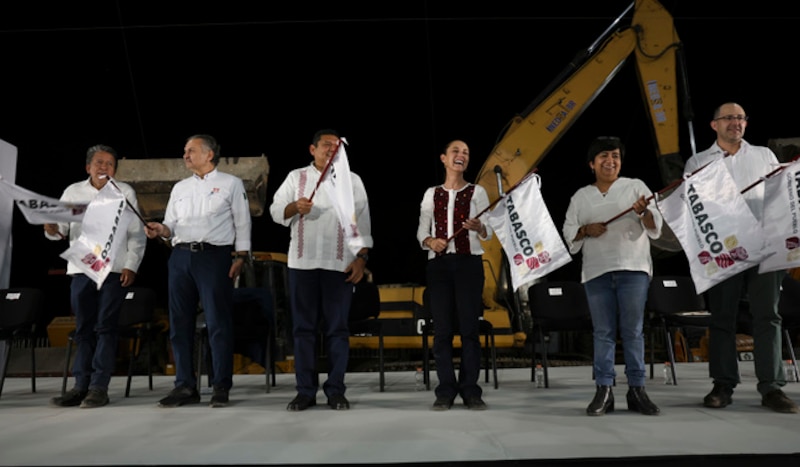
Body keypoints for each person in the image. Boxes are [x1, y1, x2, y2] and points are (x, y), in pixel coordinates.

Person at [683, 102, 798, 413]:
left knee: (767, 317)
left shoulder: (763, 155)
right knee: (722, 318)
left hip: (764, 247)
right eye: (729, 118)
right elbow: (693, 209)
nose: (736, 122)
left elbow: (780, 198)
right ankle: (723, 383)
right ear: (714, 125)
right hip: (724, 252)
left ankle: (771, 387)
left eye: (740, 118)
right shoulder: (698, 161)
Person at [269, 129, 373, 411]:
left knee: (337, 329)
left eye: (336, 146)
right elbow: (276, 210)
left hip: (339, 265)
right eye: (326, 145)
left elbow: (362, 222)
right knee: (303, 330)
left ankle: (336, 390)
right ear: (312, 149)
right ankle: (305, 391)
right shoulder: (296, 177)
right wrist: (295, 206)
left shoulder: (351, 180)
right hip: (302, 263)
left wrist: (361, 258)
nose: (332, 149)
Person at [145, 134, 251, 408]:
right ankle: (184, 386)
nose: (185, 155)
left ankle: (220, 386)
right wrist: (160, 230)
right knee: (179, 325)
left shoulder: (231, 184)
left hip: (214, 258)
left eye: (191, 150)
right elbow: (170, 225)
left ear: (209, 154)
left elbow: (242, 222)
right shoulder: (179, 188)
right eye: (185, 151)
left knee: (217, 323)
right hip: (180, 258)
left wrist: (241, 256)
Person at [563, 136, 662, 416]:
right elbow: (569, 230)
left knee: (633, 331)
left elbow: (655, 226)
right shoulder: (581, 196)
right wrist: (585, 230)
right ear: (591, 164)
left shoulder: (635, 187)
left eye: (616, 156)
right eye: (604, 156)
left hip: (633, 269)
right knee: (603, 333)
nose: (611, 161)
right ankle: (604, 389)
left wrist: (644, 213)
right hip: (596, 271)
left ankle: (637, 389)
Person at [46, 144, 147, 409]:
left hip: (114, 270)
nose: (104, 167)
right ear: (88, 167)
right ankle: (80, 386)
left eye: (110, 163)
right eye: (99, 163)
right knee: (83, 329)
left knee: (106, 327)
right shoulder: (73, 191)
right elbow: (61, 231)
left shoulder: (124, 192)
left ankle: (99, 387)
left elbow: (136, 233)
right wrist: (52, 228)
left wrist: (132, 265)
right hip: (82, 268)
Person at [416, 139, 492, 411]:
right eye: (456, 151)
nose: (462, 155)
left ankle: (471, 390)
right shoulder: (431, 193)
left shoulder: (477, 192)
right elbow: (421, 231)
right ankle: (445, 390)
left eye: (466, 153)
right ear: (444, 158)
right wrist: (430, 241)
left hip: (469, 265)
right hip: (439, 267)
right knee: (443, 331)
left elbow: (489, 231)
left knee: (470, 330)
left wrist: (479, 226)